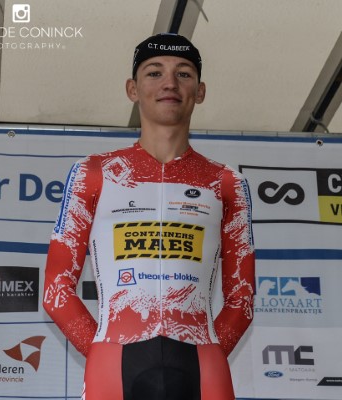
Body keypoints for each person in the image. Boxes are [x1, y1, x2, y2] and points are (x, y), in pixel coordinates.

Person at [43, 33, 255, 400]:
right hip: (113, 360)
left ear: (200, 91)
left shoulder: (226, 183)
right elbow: (55, 289)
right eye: (154, 72)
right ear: (133, 89)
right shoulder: (93, 173)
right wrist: (101, 351)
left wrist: (209, 353)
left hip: (201, 363)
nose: (169, 83)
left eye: (183, 74)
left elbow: (242, 298)